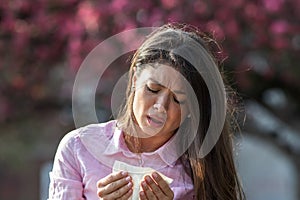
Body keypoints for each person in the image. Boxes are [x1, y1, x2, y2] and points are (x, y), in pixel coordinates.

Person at [48, 23, 245, 200]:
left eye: (178, 99)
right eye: (152, 89)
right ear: (134, 80)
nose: (161, 106)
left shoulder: (201, 171)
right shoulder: (78, 148)